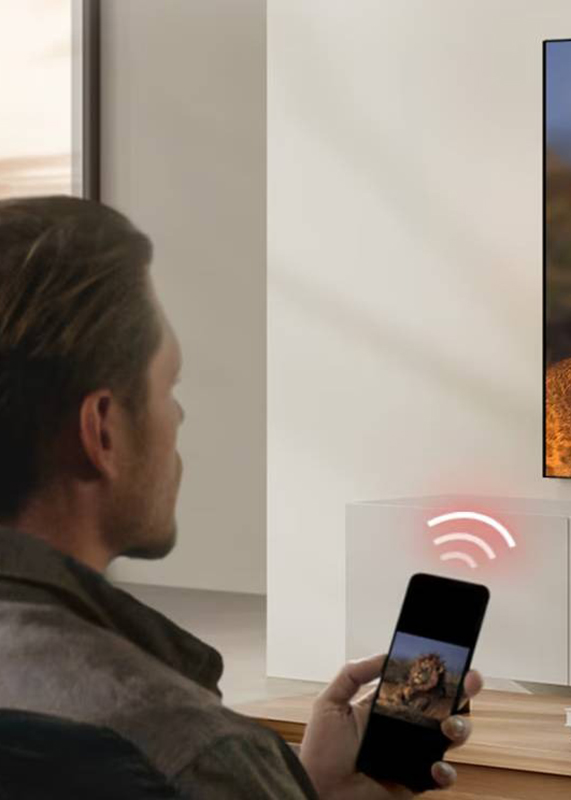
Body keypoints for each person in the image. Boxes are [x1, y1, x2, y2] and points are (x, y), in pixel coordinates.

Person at [0, 195, 479, 799]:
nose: (177, 413)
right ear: (102, 431)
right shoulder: (199, 754)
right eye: (167, 384)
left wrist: (310, 790)